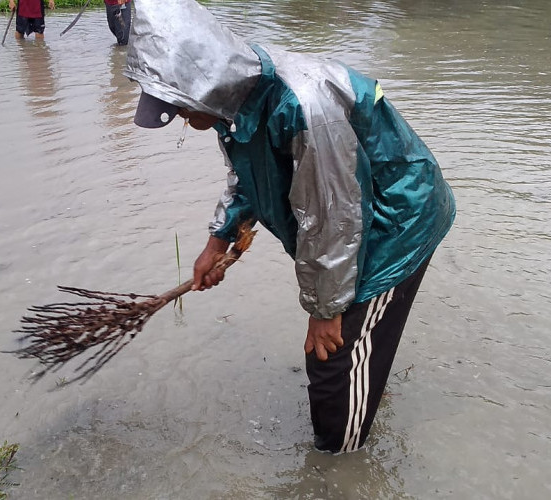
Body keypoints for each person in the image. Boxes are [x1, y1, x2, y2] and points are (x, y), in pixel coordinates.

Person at [124, 0, 456, 453]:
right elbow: (248, 175)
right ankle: (363, 390)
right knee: (339, 348)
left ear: (205, 83)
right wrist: (216, 240)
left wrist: (324, 312)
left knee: (333, 358)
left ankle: (340, 464)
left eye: (181, 106)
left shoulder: (305, 105)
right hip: (350, 217)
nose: (183, 117)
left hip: (393, 224)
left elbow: (333, 220)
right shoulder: (237, 99)